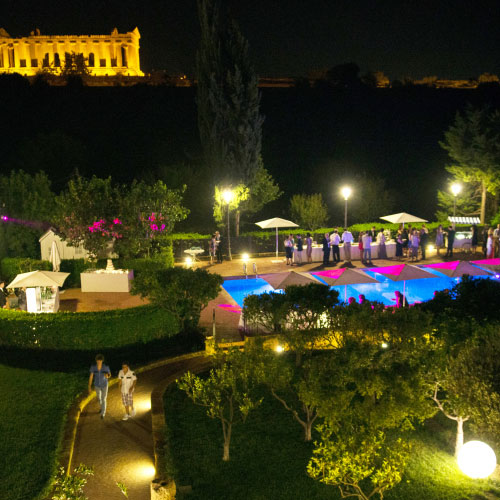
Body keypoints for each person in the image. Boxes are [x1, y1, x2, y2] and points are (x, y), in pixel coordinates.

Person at [88, 354, 111, 419]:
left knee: (104, 399)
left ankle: (103, 413)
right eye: (98, 361)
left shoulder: (105, 367)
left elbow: (109, 374)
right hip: (97, 385)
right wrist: (89, 386)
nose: (99, 362)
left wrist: (107, 376)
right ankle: (102, 407)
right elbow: (91, 376)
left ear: (102, 361)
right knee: (99, 398)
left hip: (104, 385)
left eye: (100, 361)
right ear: (96, 360)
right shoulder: (93, 367)